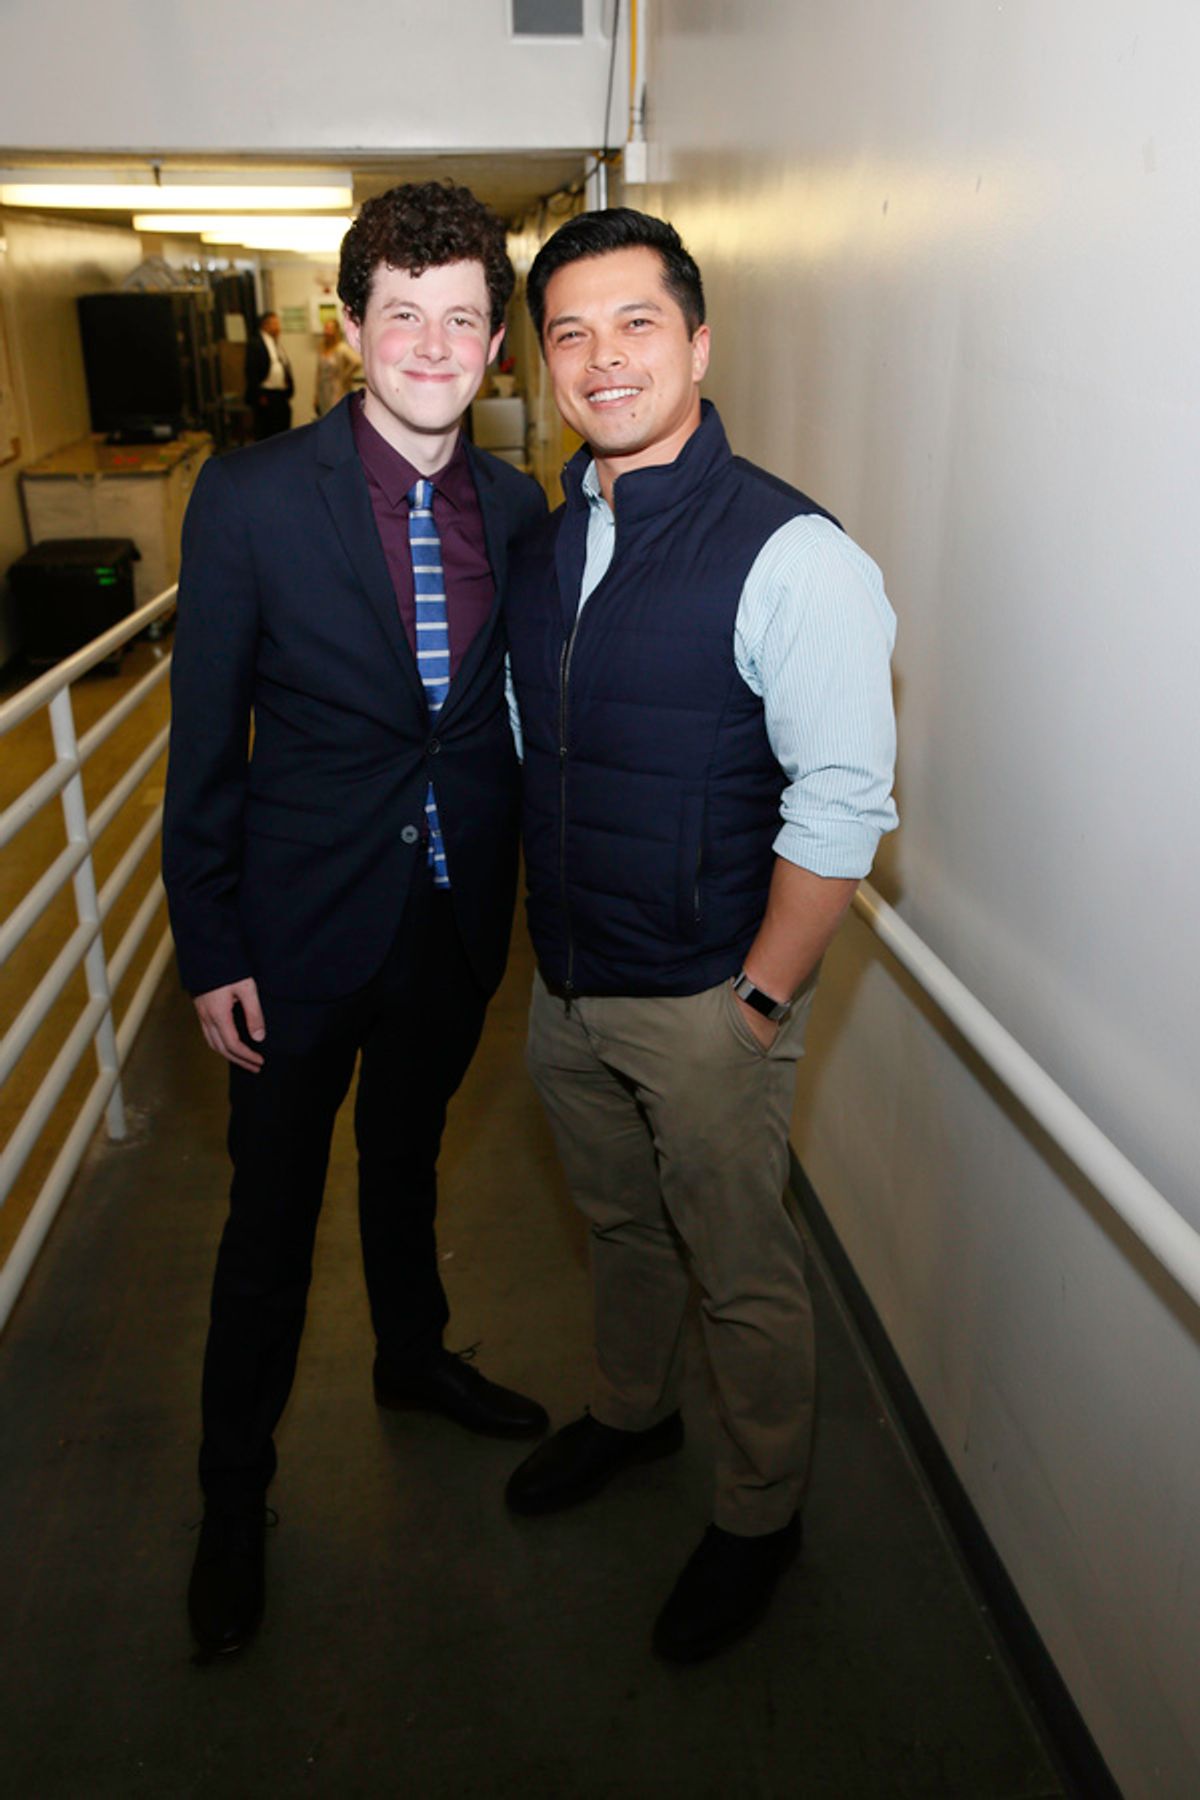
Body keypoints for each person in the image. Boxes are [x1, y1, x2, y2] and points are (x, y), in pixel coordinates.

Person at [503, 209, 898, 1664]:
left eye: (636, 325)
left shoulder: (790, 553)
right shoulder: (555, 543)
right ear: (546, 362)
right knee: (618, 1227)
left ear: (699, 342)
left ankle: (759, 1512)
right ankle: (630, 1415)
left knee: (740, 1270)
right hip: (570, 990)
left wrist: (758, 1001)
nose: (603, 359)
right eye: (570, 333)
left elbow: (844, 803)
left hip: (703, 1001)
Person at [163, 182, 549, 1658]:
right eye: (406, 316)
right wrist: (212, 944)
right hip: (294, 941)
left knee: (405, 1161)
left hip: (451, 927)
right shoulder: (256, 498)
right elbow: (204, 750)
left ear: (495, 341)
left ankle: (412, 1357)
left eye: (464, 319)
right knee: (267, 1227)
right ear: (351, 328)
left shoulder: (515, 511)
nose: (436, 347)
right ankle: (230, 1495)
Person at [244, 309, 294, 439]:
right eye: (275, 323)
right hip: (266, 394)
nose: (278, 327)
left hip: (281, 394)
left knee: (283, 430)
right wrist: (259, 394)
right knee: (268, 432)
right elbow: (251, 371)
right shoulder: (256, 344)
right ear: (265, 325)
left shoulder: (276, 343)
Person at [313, 316, 362, 417]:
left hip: (337, 390)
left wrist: (345, 375)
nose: (327, 331)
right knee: (324, 418)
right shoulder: (322, 348)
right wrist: (316, 395)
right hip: (323, 390)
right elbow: (319, 372)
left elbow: (357, 362)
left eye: (330, 328)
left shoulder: (341, 348)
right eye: (325, 328)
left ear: (336, 331)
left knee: (335, 417)